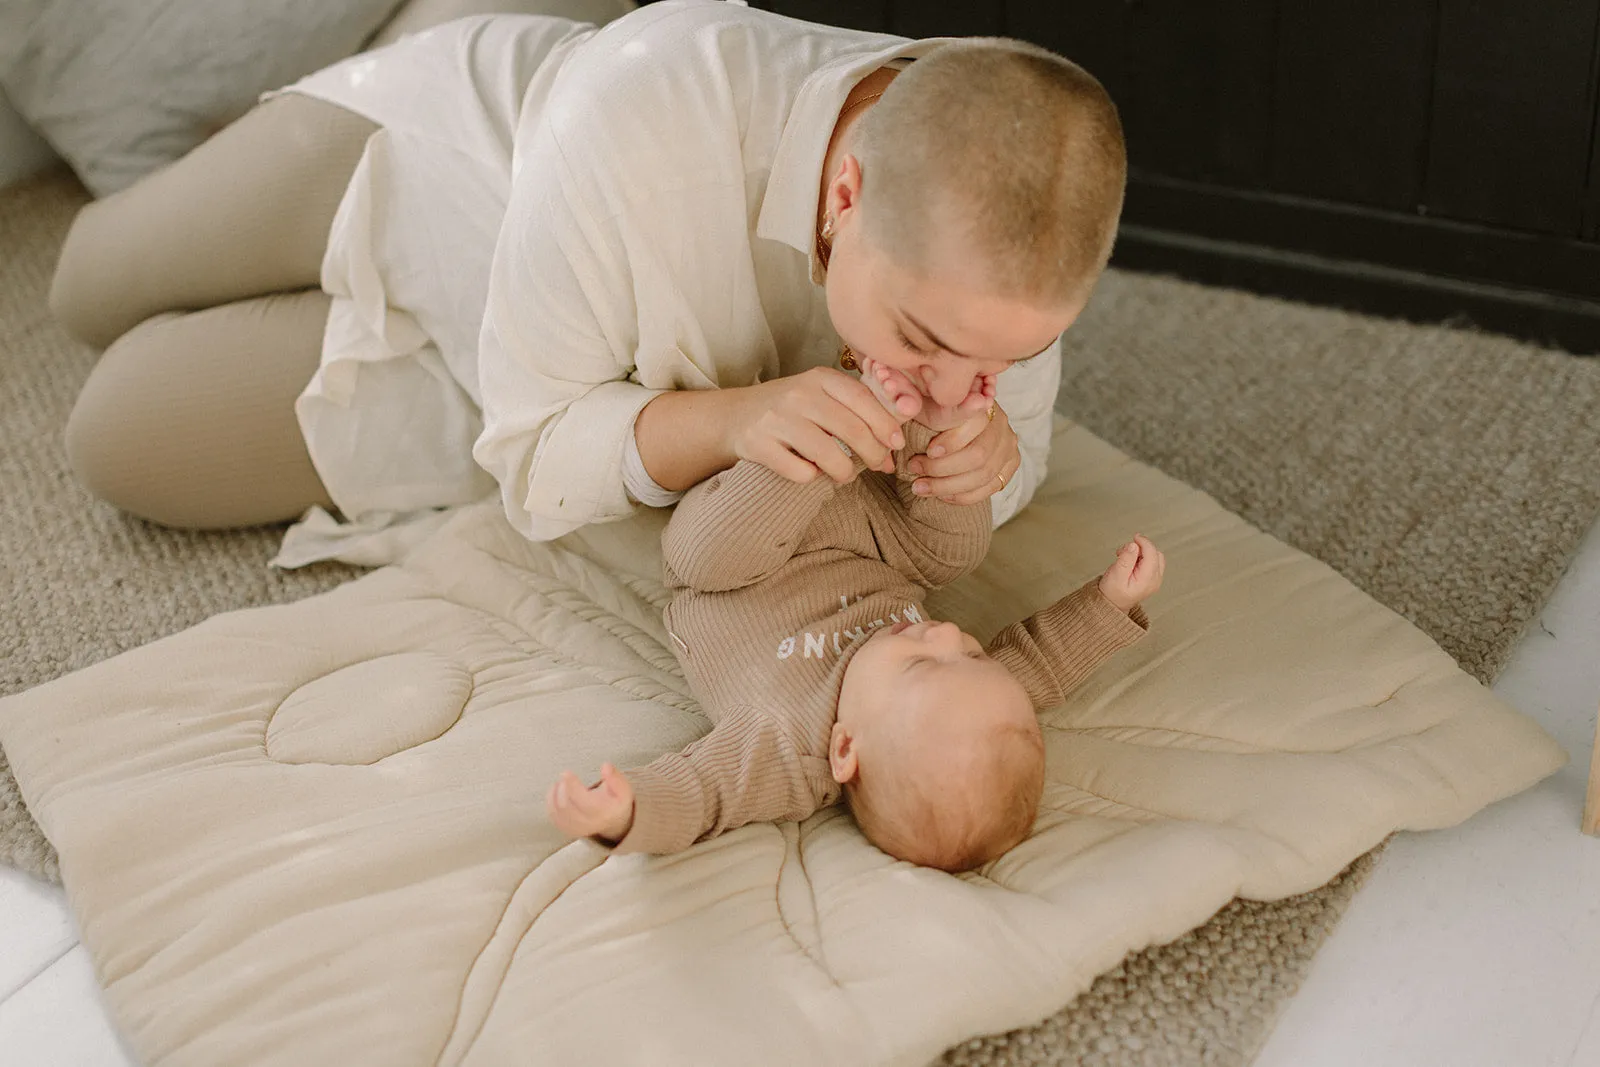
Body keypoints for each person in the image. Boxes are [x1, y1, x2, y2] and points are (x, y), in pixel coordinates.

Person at [47, 0, 1126, 568]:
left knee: (115, 435)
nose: (953, 390)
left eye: (1010, 356)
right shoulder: (651, 111)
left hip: (506, 353)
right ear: (844, 195)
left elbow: (1015, 450)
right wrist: (742, 415)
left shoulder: (1011, 223)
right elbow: (544, 455)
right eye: (924, 340)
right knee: (85, 290)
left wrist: (983, 464)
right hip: (430, 165)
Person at [545, 355, 1164, 871]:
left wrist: (625, 814)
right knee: (959, 551)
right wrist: (1110, 603)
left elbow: (707, 792)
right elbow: (1041, 663)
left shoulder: (787, 751)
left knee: (707, 554)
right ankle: (937, 418)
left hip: (740, 559)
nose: (946, 633)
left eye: (923, 665)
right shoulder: (964, 701)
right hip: (871, 535)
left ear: (846, 749)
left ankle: (842, 426)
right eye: (971, 654)